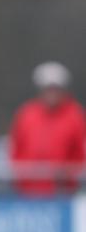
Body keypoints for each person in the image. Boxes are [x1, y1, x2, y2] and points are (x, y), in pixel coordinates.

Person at [9, 61, 86, 196]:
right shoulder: (27, 114)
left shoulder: (75, 116)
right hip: (29, 193)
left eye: (55, 88)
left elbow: (80, 153)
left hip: (63, 194)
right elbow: (16, 150)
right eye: (48, 89)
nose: (52, 93)